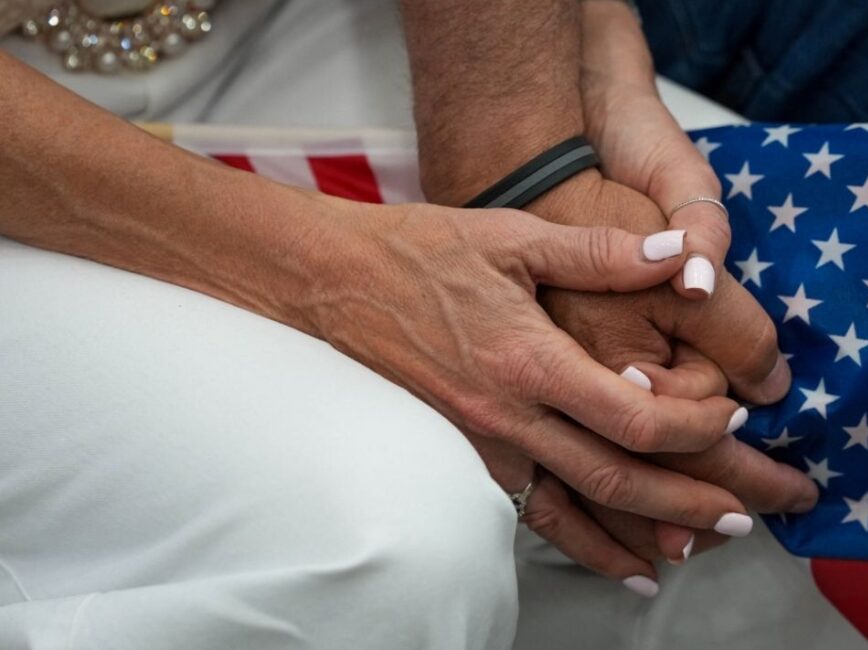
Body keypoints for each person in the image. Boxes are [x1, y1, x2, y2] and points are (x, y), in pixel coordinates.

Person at [0, 0, 821, 648]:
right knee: (387, 546)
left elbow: (519, 144)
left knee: (748, 327)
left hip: (316, 21)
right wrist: (339, 274)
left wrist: (544, 119)